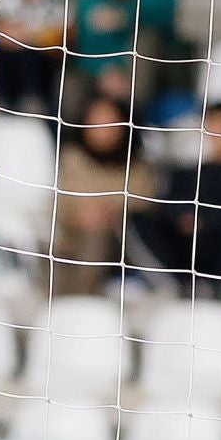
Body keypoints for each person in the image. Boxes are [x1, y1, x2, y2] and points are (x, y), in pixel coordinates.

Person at [52, 95, 159, 297]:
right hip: (72, 234)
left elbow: (145, 202)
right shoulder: (72, 160)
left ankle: (85, 300)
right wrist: (82, 215)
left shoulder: (137, 166)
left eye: (109, 122)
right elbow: (64, 202)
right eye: (97, 122)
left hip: (121, 243)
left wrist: (109, 212)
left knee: (97, 239)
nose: (102, 130)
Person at [151, 101, 221, 291]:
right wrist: (183, 217)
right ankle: (176, 284)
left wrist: (206, 221)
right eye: (216, 123)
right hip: (183, 246)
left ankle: (216, 286)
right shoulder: (184, 174)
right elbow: (168, 207)